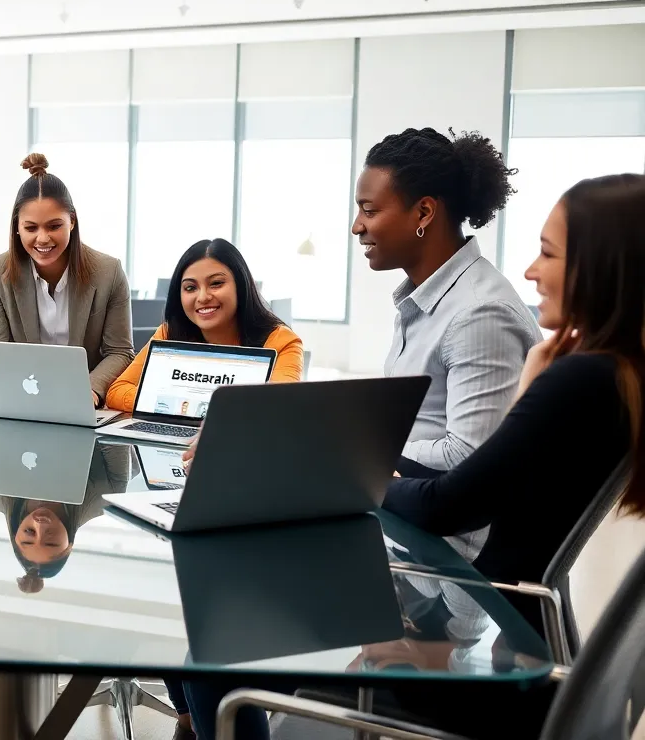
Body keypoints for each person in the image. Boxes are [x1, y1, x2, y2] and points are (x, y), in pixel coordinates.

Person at [185, 173, 645, 740]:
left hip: (478, 663)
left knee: (208, 662)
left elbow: (447, 506)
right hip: (517, 635)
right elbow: (486, 479)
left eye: (547, 253)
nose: (530, 272)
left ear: (603, 268)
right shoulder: (615, 374)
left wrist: (339, 467)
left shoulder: (577, 379)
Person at [353, 128, 540, 474]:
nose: (357, 226)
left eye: (369, 211)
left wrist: (361, 449)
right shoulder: (424, 300)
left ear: (424, 213)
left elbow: (469, 456)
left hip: (444, 526)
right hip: (404, 495)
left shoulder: (480, 313)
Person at [0, 153, 135, 405]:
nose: (43, 239)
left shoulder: (109, 272)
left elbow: (119, 352)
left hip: (86, 406)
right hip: (21, 403)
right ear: (16, 227)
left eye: (54, 226)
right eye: (31, 228)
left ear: (71, 222)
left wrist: (90, 390)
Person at [106, 239, 303, 412]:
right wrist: (179, 407)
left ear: (241, 286)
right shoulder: (169, 333)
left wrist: (209, 415)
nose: (203, 297)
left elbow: (279, 407)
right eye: (190, 288)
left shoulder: (281, 341)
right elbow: (118, 390)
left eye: (216, 283)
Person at [0, 443, 131, 593]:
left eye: (29, 532)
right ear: (69, 544)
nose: (40, 525)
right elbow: (115, 432)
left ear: (15, 535)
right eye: (51, 537)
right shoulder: (106, 495)